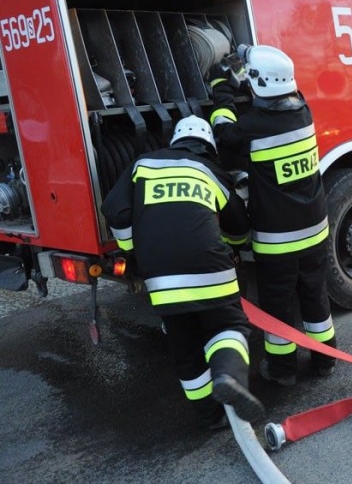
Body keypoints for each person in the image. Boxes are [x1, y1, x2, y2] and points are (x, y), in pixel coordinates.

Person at [101, 115, 265, 429]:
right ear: (209, 147)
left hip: (162, 280)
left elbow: (114, 210)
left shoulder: (142, 165)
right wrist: (235, 245)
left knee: (185, 348)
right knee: (229, 326)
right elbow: (238, 227)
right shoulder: (209, 171)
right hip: (211, 270)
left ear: (175, 141)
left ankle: (210, 417)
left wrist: (132, 249)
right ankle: (228, 376)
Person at [209, 45, 337, 386]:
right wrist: (248, 75)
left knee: (278, 307)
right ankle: (326, 360)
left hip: (277, 242)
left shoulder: (252, 126)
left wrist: (223, 88)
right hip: (315, 230)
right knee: (315, 295)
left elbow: (224, 134)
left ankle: (283, 371)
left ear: (259, 83)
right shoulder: (304, 111)